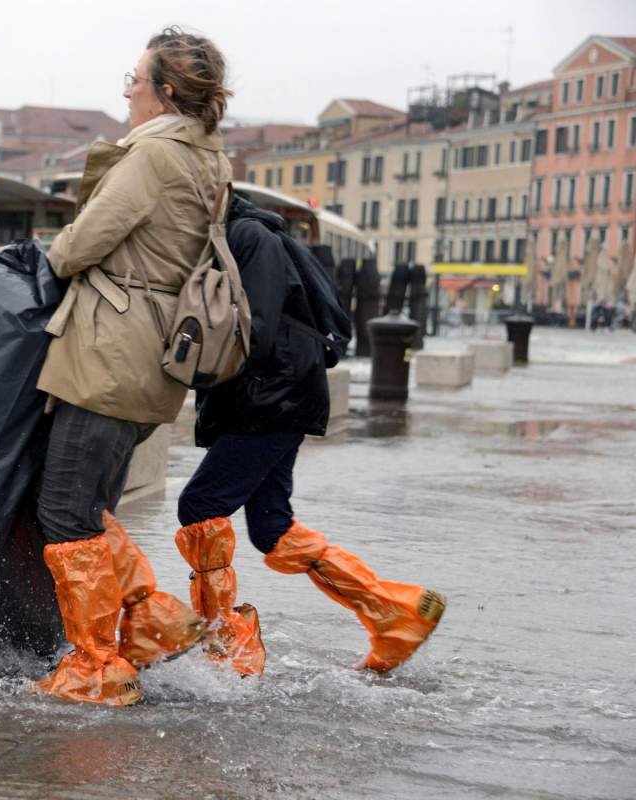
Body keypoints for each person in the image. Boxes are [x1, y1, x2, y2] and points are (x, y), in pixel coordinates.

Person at [33, 26, 233, 706]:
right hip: (154, 355)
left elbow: (85, 241)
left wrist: (50, 256)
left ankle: (95, 664)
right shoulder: (211, 160)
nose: (126, 90)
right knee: (87, 502)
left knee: (65, 509)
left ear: (165, 91)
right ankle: (149, 622)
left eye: (136, 80)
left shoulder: (152, 159)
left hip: (112, 352)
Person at [173, 194, 446, 677]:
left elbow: (253, 327)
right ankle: (395, 611)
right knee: (271, 527)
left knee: (200, 507)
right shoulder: (252, 234)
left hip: (270, 394)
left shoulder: (248, 237)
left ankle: (227, 645)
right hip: (282, 390)